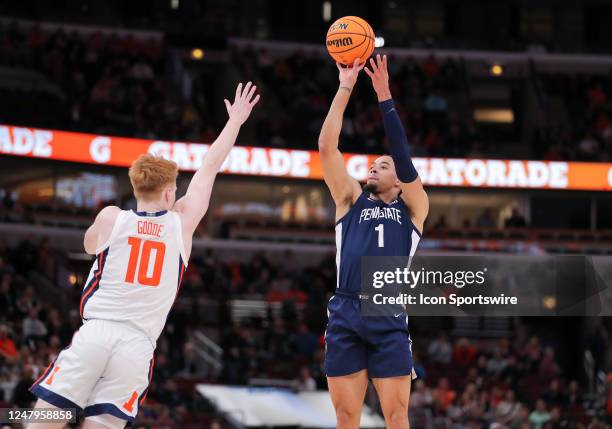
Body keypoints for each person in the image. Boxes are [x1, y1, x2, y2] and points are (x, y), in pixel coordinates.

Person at [27, 82, 260, 429]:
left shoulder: (111, 218)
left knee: (43, 421)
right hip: (137, 346)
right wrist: (235, 122)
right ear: (169, 192)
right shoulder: (181, 223)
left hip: (97, 332)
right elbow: (210, 166)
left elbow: (89, 247)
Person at [319, 55, 429, 429]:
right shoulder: (349, 197)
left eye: (383, 165)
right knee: (346, 417)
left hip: (388, 312)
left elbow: (403, 158)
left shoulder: (414, 207)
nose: (373, 167)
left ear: (400, 181)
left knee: (397, 416)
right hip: (346, 309)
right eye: (373, 164)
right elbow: (327, 148)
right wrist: (345, 86)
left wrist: (385, 98)